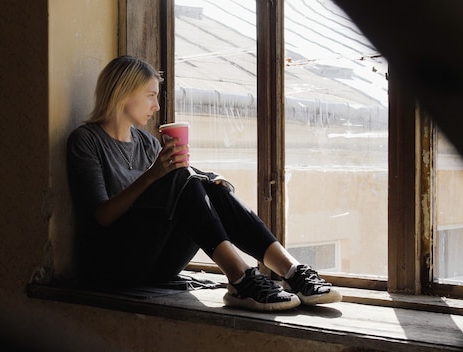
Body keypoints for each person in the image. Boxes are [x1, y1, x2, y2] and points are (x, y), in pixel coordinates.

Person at [66, 55, 341, 312]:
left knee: (204, 182)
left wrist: (208, 182)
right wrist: (154, 174)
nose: (157, 106)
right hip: (112, 266)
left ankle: (292, 271)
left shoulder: (146, 142)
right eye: (150, 96)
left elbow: (178, 185)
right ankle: (241, 278)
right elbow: (101, 216)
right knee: (183, 176)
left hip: (156, 265)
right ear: (123, 93)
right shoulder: (86, 140)